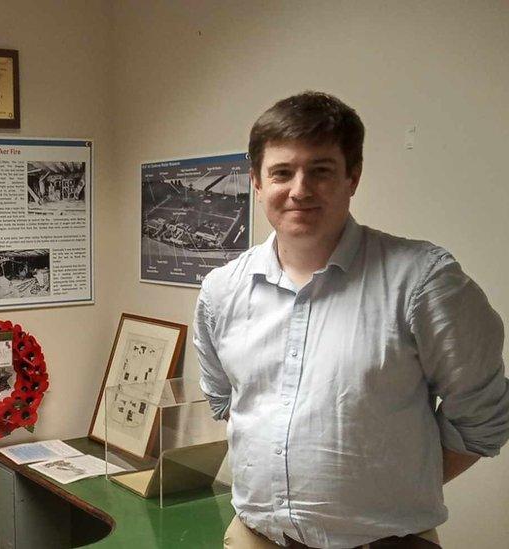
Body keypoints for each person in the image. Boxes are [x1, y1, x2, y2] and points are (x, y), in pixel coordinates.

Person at [194, 91, 509, 548]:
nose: (299, 189)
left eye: (320, 171)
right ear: (257, 183)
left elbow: (483, 419)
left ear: (353, 177)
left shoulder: (424, 282)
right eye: (281, 172)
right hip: (256, 537)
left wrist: (394, 487)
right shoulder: (221, 291)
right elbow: (227, 402)